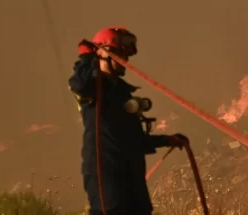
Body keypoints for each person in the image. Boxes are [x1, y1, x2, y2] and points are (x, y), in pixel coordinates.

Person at [68, 26, 188, 215]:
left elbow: (132, 139)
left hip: (131, 174)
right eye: (120, 55)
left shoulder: (123, 92)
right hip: (107, 174)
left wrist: (166, 140)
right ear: (105, 53)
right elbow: (78, 84)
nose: (125, 61)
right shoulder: (93, 88)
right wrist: (87, 57)